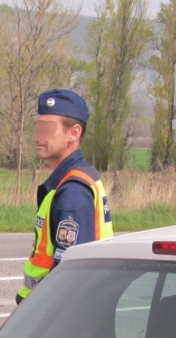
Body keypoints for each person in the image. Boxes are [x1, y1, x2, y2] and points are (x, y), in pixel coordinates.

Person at [17, 89, 113, 304]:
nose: (37, 136)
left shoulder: (73, 192)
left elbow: (71, 275)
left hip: (53, 314)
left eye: (47, 128)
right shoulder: (73, 179)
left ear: (74, 133)